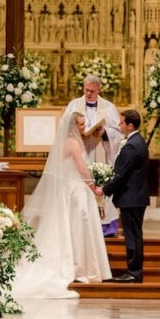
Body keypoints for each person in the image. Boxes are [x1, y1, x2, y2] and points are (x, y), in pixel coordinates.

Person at [13, 112, 111, 298]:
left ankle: (79, 265)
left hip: (72, 188)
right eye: (81, 125)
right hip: (76, 190)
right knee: (78, 227)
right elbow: (82, 168)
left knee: (74, 227)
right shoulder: (73, 143)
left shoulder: (69, 142)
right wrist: (93, 186)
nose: (84, 128)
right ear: (73, 126)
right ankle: (79, 267)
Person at [96, 109, 150, 283]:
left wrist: (104, 190)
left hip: (131, 197)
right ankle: (135, 270)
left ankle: (134, 271)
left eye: (121, 123)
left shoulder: (132, 145)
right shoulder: (136, 141)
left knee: (132, 235)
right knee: (134, 234)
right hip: (134, 197)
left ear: (130, 125)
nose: (119, 125)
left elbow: (122, 175)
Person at [65, 75, 122, 235]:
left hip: (100, 154)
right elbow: (65, 128)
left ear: (99, 90)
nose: (88, 93)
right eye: (86, 90)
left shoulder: (108, 107)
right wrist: (79, 132)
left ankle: (105, 227)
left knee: (100, 185)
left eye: (92, 91)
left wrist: (104, 132)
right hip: (79, 153)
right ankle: (78, 226)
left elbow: (118, 133)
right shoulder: (74, 105)